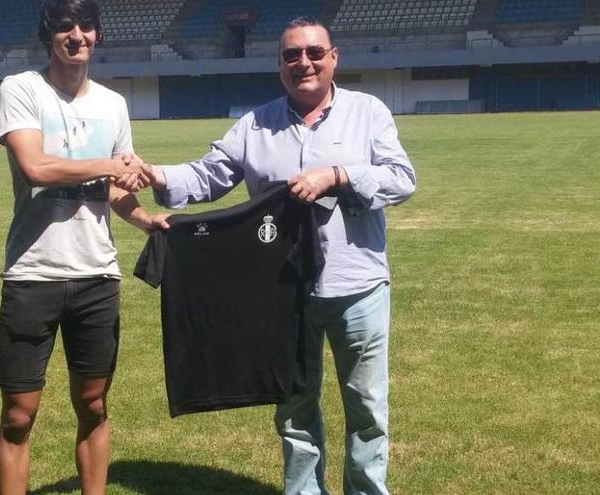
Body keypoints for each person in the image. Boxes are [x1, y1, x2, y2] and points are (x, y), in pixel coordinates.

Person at [145, 17, 416, 495]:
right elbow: (210, 175)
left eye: (314, 52)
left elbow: (401, 179)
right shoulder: (256, 124)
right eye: (292, 55)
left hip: (357, 287)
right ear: (279, 65)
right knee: (294, 407)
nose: (303, 63)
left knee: (368, 407)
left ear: (334, 57)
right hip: (281, 294)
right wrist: (156, 175)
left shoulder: (368, 112)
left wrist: (337, 175)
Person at [0, 1, 167, 494]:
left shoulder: (112, 104)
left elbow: (114, 189)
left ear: (98, 34)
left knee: (93, 405)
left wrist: (146, 218)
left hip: (96, 276)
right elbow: (36, 168)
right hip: (32, 274)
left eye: (85, 26)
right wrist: (108, 165)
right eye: (64, 26)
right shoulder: (21, 89)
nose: (77, 35)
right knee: (18, 414)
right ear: (48, 35)